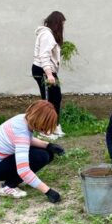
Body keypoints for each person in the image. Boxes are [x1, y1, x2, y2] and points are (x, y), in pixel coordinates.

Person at [0, 100, 64, 203]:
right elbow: (23, 170)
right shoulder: (21, 131)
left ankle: (14, 180)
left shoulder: (23, 119)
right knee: (41, 157)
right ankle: (7, 186)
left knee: (47, 153)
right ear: (40, 120)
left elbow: (25, 141)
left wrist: (49, 145)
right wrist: (48, 191)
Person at [32, 11, 66, 140]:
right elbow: (43, 56)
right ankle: (44, 130)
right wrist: (49, 75)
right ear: (57, 23)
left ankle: (55, 126)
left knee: (56, 98)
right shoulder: (46, 35)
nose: (63, 26)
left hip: (47, 71)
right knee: (48, 101)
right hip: (43, 70)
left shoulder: (50, 35)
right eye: (62, 23)